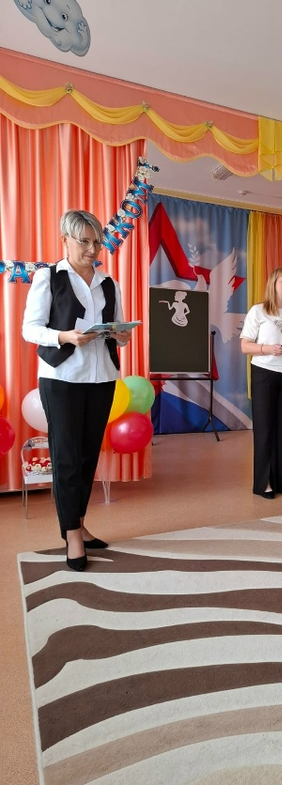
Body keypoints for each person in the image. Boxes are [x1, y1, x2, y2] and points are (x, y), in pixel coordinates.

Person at [22, 210, 132, 570]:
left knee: (87, 457)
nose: (92, 249)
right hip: (62, 378)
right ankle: (71, 535)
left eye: (96, 242)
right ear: (65, 241)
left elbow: (119, 333)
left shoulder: (109, 282)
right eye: (84, 241)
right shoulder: (48, 277)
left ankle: (80, 524)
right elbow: (30, 328)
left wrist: (122, 335)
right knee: (67, 458)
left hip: (101, 379)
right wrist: (65, 336)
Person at [240, 267, 282, 499]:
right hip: (265, 373)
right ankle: (264, 483)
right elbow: (245, 346)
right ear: (273, 284)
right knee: (265, 429)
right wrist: (268, 349)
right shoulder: (258, 311)